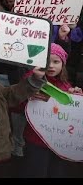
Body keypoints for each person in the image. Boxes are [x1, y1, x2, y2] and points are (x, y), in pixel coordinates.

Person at [20, 43, 82, 177]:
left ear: (63, 64)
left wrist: (76, 97)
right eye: (47, 61)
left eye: (56, 61)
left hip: (59, 142)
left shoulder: (65, 85)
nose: (51, 65)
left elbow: (70, 111)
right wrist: (28, 95)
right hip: (36, 139)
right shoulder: (31, 80)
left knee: (56, 172)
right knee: (35, 171)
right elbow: (16, 105)